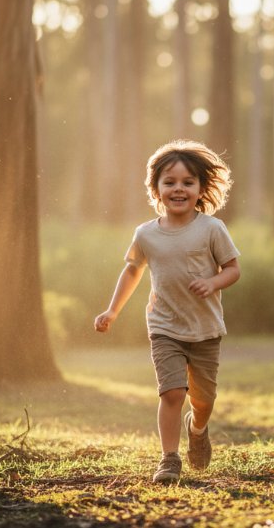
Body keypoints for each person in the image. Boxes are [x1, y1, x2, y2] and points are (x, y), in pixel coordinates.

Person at [94, 140, 241, 484]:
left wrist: (213, 282)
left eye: (188, 182)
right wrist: (112, 311)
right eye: (170, 182)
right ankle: (169, 459)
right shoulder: (146, 234)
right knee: (173, 392)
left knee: (203, 400)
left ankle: (198, 427)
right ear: (156, 188)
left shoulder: (212, 229)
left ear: (201, 188)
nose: (178, 188)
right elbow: (132, 271)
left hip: (205, 329)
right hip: (164, 327)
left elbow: (233, 269)